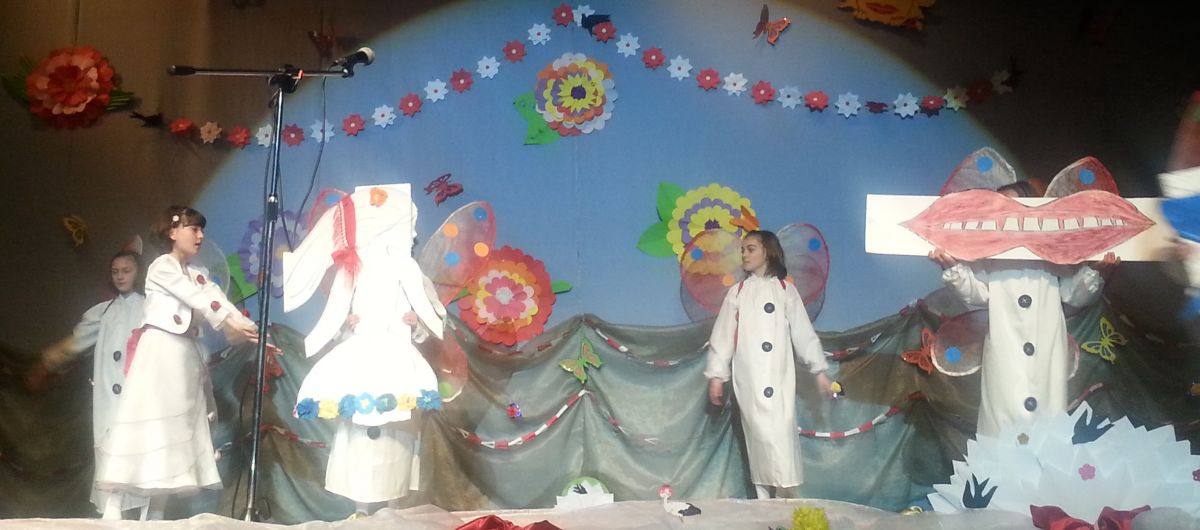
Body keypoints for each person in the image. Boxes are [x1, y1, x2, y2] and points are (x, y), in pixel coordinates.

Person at [282, 184, 445, 518]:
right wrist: (348, 324)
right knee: (358, 435)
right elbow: (338, 320)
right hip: (363, 361)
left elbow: (434, 318)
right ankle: (360, 509)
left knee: (395, 436)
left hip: (397, 362)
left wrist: (416, 323)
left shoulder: (411, 274)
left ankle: (391, 509)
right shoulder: (352, 271)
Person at [93, 206, 259, 519]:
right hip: (159, 351)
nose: (200, 236)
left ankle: (156, 512)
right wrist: (228, 322)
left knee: (175, 429)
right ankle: (113, 506)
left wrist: (247, 327)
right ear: (172, 232)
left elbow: (217, 299)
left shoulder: (198, 273)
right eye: (193, 228)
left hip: (185, 355)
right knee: (146, 421)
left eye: (201, 229)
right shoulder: (162, 267)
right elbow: (198, 299)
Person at [928, 181, 1119, 437]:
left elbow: (1073, 294)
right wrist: (952, 269)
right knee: (1002, 416)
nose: (1006, 214)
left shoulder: (1053, 252)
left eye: (1012, 205)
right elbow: (977, 293)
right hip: (1005, 347)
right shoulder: (991, 256)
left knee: (1047, 416)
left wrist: (1094, 272)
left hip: (1046, 345)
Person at [704, 229, 833, 499]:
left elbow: (803, 333)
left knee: (782, 431)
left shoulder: (785, 290)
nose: (744, 254)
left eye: (751, 249)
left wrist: (819, 370)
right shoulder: (738, 293)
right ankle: (764, 502)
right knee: (759, 434)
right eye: (743, 249)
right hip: (750, 377)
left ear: (768, 252)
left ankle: (786, 498)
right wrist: (717, 375)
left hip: (779, 375)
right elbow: (723, 335)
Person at [26, 247, 150, 517]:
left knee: (141, 446)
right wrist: (48, 362)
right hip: (108, 391)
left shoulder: (150, 308)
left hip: (138, 391)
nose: (120, 276)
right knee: (109, 443)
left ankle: (148, 510)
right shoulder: (103, 312)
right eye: (115, 272)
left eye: (126, 271)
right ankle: (113, 505)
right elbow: (76, 342)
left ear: (138, 272)